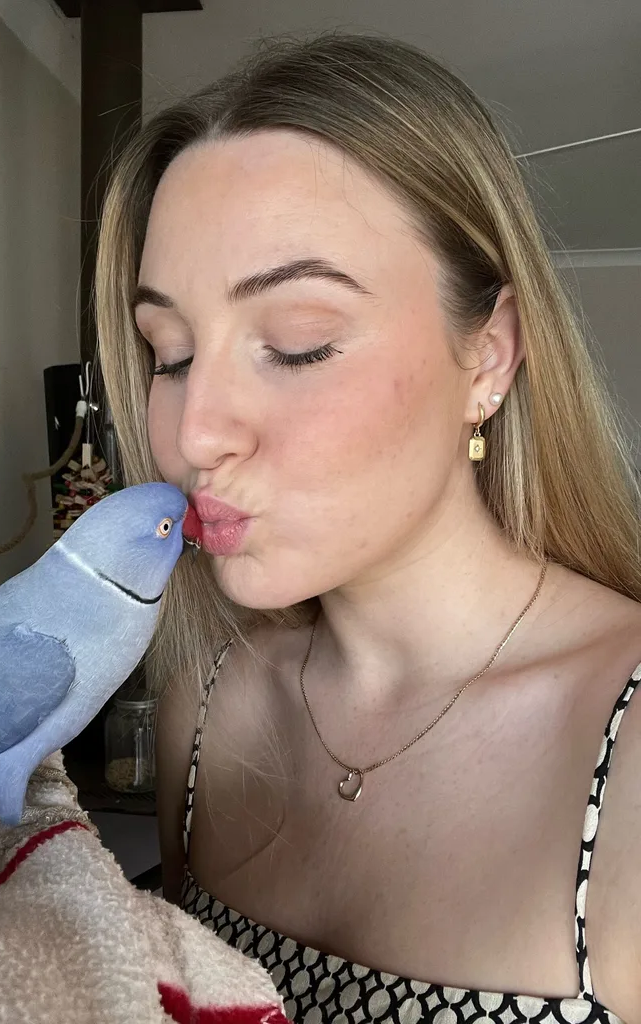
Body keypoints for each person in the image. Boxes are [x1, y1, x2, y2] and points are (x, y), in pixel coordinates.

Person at [95, 32, 641, 1024]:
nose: (194, 432)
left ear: (487, 358)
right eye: (168, 353)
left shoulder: (629, 745)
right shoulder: (206, 712)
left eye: (297, 345)